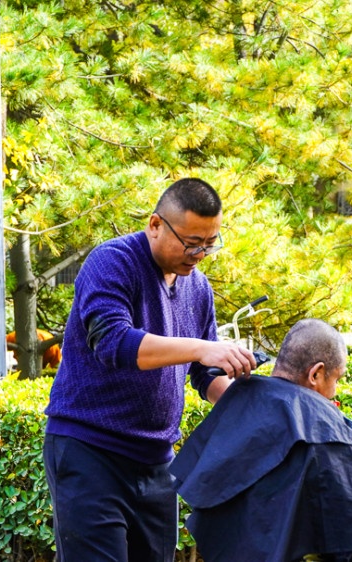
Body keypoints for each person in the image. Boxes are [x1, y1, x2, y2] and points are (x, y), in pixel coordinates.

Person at [43, 178, 257, 562]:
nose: (200, 254)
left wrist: (255, 400)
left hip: (158, 461)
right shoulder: (112, 262)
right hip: (90, 453)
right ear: (155, 225)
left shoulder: (199, 288)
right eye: (192, 243)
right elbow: (113, 343)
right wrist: (203, 348)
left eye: (210, 244)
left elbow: (205, 375)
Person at [171, 319, 352, 562]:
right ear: (316, 373)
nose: (335, 392)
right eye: (336, 379)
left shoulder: (244, 403)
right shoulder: (315, 425)